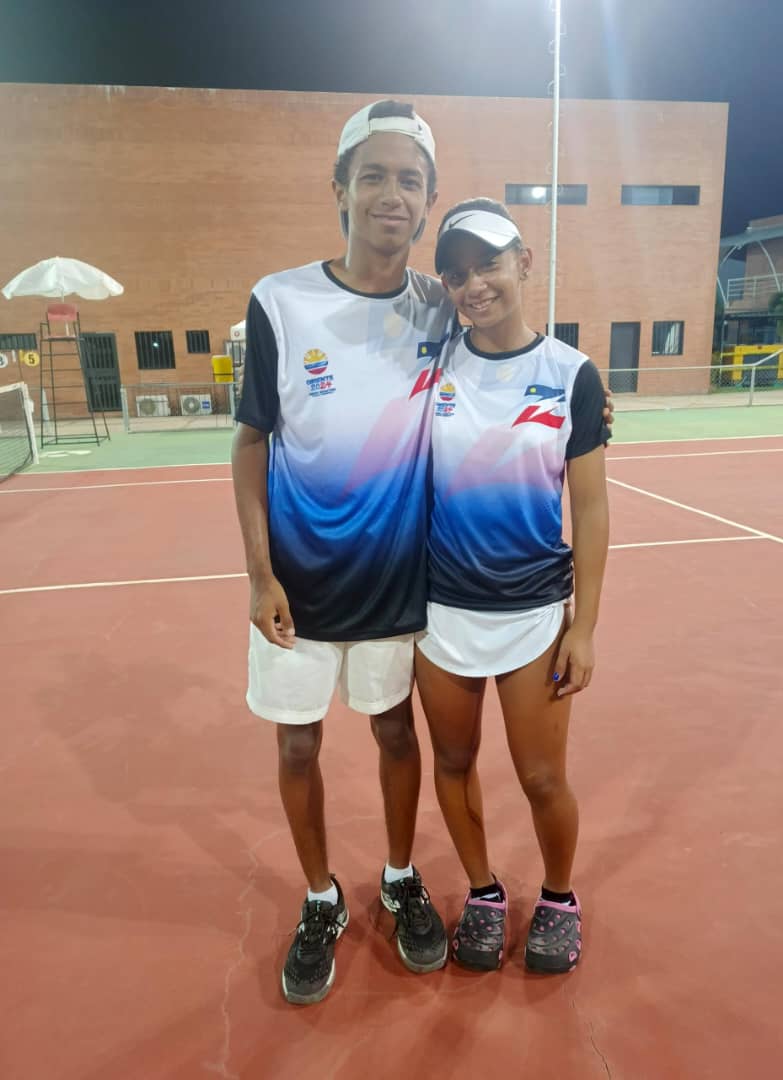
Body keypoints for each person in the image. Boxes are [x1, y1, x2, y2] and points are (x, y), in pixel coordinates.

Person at [232, 100, 453, 1005]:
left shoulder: (441, 307)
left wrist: (581, 402)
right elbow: (251, 442)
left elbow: (510, 369)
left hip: (396, 581)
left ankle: (398, 878)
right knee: (297, 745)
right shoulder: (280, 301)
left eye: (410, 180)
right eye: (374, 175)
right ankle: (320, 896)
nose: (392, 194)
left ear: (428, 200)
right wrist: (259, 575)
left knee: (397, 732)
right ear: (340, 189)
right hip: (299, 584)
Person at [414, 198, 610, 975]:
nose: (475, 285)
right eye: (456, 274)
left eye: (489, 264)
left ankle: (559, 897)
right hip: (439, 614)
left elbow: (589, 509)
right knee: (453, 761)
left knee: (540, 776)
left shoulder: (571, 375)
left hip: (533, 615)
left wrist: (583, 626)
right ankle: (484, 892)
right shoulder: (429, 368)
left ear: (524, 262)